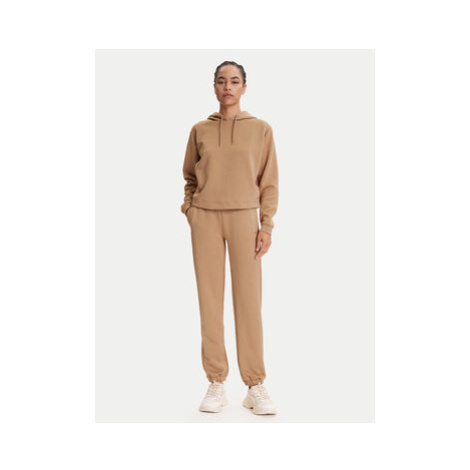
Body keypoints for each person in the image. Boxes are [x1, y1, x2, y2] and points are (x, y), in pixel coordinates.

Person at [181, 61, 279, 415]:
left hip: (244, 218)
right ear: (214, 86)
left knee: (249, 302)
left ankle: (254, 385)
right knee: (210, 302)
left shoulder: (261, 129)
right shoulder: (200, 130)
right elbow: (190, 176)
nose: (228, 87)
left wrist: (266, 225)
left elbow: (269, 181)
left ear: (244, 87)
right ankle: (217, 382)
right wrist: (190, 209)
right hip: (205, 218)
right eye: (221, 81)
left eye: (234, 81)